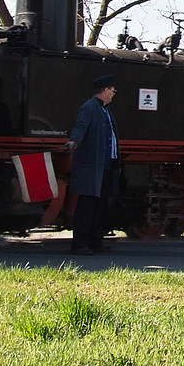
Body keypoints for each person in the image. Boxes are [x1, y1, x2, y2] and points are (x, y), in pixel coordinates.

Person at [66, 74, 121, 254]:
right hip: (91, 166)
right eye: (112, 90)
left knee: (99, 206)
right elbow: (80, 127)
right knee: (86, 205)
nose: (114, 94)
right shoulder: (89, 108)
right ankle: (79, 244)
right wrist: (74, 141)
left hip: (104, 166)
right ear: (105, 91)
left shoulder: (106, 110)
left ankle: (94, 241)